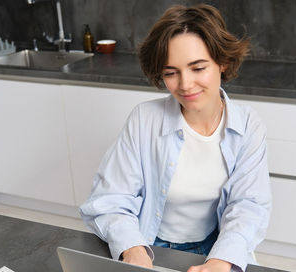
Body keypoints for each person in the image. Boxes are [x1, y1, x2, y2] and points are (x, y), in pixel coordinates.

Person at [80, 4, 271, 272]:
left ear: (223, 62)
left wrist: (222, 260)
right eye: (171, 72)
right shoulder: (144, 119)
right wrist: (132, 248)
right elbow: (110, 199)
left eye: (198, 68)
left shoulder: (249, 125)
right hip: (149, 246)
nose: (185, 84)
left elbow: (249, 206)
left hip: (217, 248)